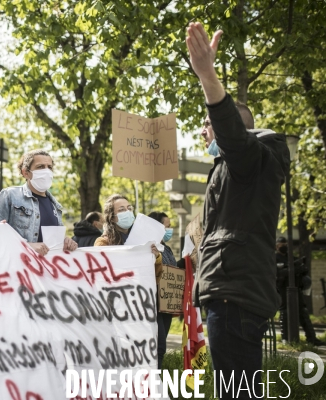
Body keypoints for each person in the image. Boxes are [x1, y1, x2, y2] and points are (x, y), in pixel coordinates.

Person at [186, 22, 290, 397]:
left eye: (207, 125)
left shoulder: (253, 156)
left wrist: (207, 76)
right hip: (230, 291)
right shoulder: (234, 170)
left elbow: (232, 134)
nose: (203, 133)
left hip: (234, 294)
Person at [0, 149, 77, 255]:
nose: (46, 171)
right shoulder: (10, 196)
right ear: (25, 173)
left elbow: (53, 244)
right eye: (40, 167)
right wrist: (27, 246)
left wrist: (66, 242)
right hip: (18, 268)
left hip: (46, 270)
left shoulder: (55, 205)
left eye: (49, 167)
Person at [94, 195, 163, 284]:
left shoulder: (144, 240)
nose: (127, 212)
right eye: (121, 210)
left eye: (129, 208)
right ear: (112, 218)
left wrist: (156, 258)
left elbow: (156, 278)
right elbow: (100, 275)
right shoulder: (103, 242)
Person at [276, 237, 325, 346]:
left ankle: (312, 338)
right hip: (283, 288)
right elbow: (278, 273)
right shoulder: (275, 258)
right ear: (277, 246)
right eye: (281, 244)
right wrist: (291, 270)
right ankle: (285, 338)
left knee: (303, 311)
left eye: (285, 244)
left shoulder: (291, 258)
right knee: (284, 311)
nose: (283, 246)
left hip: (296, 288)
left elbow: (302, 269)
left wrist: (299, 269)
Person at [148, 211, 181, 369]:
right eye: (166, 226)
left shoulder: (166, 249)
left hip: (166, 305)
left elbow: (171, 270)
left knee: (161, 348)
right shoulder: (149, 247)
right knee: (158, 347)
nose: (169, 230)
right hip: (154, 303)